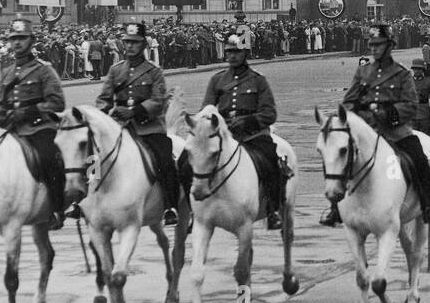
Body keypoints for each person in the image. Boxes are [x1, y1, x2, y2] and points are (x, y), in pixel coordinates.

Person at [339, 23, 430, 224]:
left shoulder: (402, 74)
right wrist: (360, 114)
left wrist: (388, 114)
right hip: (368, 132)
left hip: (396, 132)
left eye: (379, 44)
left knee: (419, 160)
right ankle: (336, 207)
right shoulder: (363, 73)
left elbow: (411, 104)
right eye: (372, 44)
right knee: (340, 158)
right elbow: (348, 102)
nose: (374, 48)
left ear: (389, 46)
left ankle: (428, 205)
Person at [200, 33, 287, 230]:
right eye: (229, 52)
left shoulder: (258, 81)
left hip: (252, 136)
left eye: (237, 52)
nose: (232, 56)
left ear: (245, 53)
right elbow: (207, 110)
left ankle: (272, 210)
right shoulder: (217, 80)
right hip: (224, 136)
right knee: (192, 162)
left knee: (270, 161)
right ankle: (194, 210)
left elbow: (269, 113)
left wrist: (248, 120)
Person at [96, 22, 180, 225]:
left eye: (135, 42)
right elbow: (103, 99)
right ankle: (88, 195)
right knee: (94, 155)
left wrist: (133, 111)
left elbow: (158, 101)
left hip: (148, 126)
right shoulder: (116, 70)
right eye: (127, 42)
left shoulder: (154, 71)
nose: (130, 46)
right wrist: (103, 115)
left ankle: (170, 206)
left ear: (143, 44)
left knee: (164, 159)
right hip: (121, 126)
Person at [0, 19, 67, 230]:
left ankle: (56, 209)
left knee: (47, 158)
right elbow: (0, 101)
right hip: (13, 129)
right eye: (13, 39)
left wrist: (28, 111)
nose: (17, 43)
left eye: (21, 38)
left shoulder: (44, 70)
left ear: (31, 41)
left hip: (39, 126)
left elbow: (57, 102)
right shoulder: (7, 71)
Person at [411, 57, 430, 137]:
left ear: (423, 70)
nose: (417, 71)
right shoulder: (408, 81)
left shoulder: (429, 82)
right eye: (415, 69)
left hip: (425, 116)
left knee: (426, 142)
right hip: (412, 117)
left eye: (419, 69)